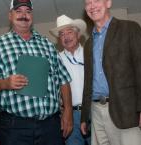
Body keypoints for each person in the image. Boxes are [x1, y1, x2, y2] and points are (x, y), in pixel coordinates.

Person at [0, 0, 73, 145]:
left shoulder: (48, 45)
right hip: (14, 128)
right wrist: (4, 83)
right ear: (10, 15)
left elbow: (63, 80)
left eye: (28, 11)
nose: (24, 15)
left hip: (50, 125)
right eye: (18, 11)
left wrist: (68, 112)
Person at [80, 0, 141, 145]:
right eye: (87, 3)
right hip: (96, 113)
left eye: (96, 0)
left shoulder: (130, 28)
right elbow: (88, 81)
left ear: (108, 3)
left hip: (127, 111)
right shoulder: (88, 44)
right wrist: (85, 116)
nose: (92, 6)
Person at [50, 14, 90, 145]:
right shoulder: (56, 60)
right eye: (62, 34)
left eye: (69, 32)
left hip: (93, 111)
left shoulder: (90, 54)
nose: (66, 37)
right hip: (69, 115)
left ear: (78, 35)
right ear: (59, 39)